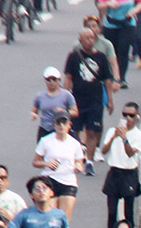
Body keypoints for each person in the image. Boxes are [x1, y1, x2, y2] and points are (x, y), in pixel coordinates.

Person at [64, 30, 115, 167]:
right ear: (80, 41)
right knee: (75, 130)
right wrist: (65, 97)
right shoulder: (73, 57)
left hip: (95, 101)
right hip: (77, 101)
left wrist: (110, 100)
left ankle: (90, 161)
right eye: (86, 38)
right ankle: (78, 155)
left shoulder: (101, 58)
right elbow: (68, 77)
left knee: (93, 131)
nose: (90, 41)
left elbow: (107, 80)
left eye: (92, 38)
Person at [101, 102, 141, 228]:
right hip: (114, 172)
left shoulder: (140, 136)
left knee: (128, 212)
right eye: (125, 115)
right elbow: (104, 151)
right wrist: (114, 137)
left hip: (129, 174)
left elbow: (130, 153)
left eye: (131, 115)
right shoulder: (113, 131)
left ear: (137, 117)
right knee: (111, 213)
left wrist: (124, 139)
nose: (127, 118)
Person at [97, 0, 141, 88]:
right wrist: (109, 3)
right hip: (111, 24)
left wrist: (134, 10)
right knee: (111, 51)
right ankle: (111, 76)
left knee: (123, 50)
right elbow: (100, 4)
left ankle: (122, 78)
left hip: (128, 24)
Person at [33, 112, 86, 218]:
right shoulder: (46, 141)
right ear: (54, 125)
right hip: (50, 180)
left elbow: (79, 161)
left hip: (68, 181)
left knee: (63, 218)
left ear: (69, 125)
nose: (61, 126)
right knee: (50, 216)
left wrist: (79, 167)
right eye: (58, 123)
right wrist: (46, 163)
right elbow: (35, 162)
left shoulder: (75, 143)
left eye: (64, 123)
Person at [32, 66, 77, 143]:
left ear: (59, 80)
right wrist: (34, 115)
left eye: (54, 79)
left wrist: (64, 112)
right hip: (45, 129)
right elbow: (34, 110)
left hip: (61, 128)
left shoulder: (66, 95)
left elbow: (75, 112)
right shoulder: (40, 96)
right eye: (48, 80)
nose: (51, 82)